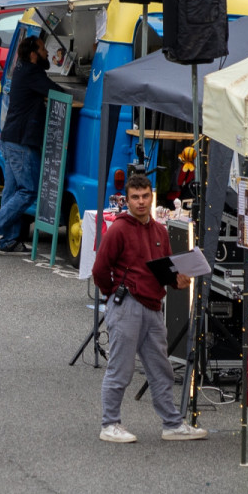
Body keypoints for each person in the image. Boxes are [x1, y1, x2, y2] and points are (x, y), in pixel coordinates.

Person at [91, 173, 209, 444]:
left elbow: (165, 270)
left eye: (145, 196)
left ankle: (172, 424)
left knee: (160, 368)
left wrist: (178, 281)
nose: (141, 202)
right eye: (135, 197)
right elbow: (100, 269)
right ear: (128, 200)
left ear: (151, 197)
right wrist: (111, 295)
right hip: (127, 304)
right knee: (120, 369)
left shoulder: (159, 230)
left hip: (153, 306)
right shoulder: (119, 229)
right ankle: (109, 424)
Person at [0, 36, 55, 255]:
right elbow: (56, 90)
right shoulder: (33, 72)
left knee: (12, 191)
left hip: (10, 137)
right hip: (22, 140)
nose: (47, 53)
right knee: (28, 191)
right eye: (42, 49)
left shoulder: (20, 69)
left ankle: (9, 240)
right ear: (33, 53)